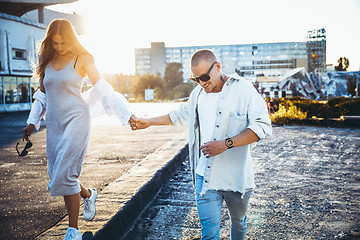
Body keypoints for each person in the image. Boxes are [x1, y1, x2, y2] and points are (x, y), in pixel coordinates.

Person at [130, 49, 272, 239]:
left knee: (238, 223)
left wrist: (226, 144)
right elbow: (178, 115)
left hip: (236, 176)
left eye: (205, 76)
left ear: (218, 67)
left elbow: (262, 127)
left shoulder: (243, 89)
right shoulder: (197, 95)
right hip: (205, 177)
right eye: (196, 79)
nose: (202, 83)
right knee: (209, 233)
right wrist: (148, 121)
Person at [21, 19, 134, 240]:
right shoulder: (47, 61)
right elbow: (42, 95)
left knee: (65, 173)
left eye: (63, 43)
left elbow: (102, 87)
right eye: (55, 43)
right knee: (61, 175)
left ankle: (73, 231)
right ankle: (88, 194)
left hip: (77, 119)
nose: (59, 47)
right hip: (54, 124)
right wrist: (32, 122)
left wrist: (126, 115)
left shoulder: (83, 58)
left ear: (71, 40)